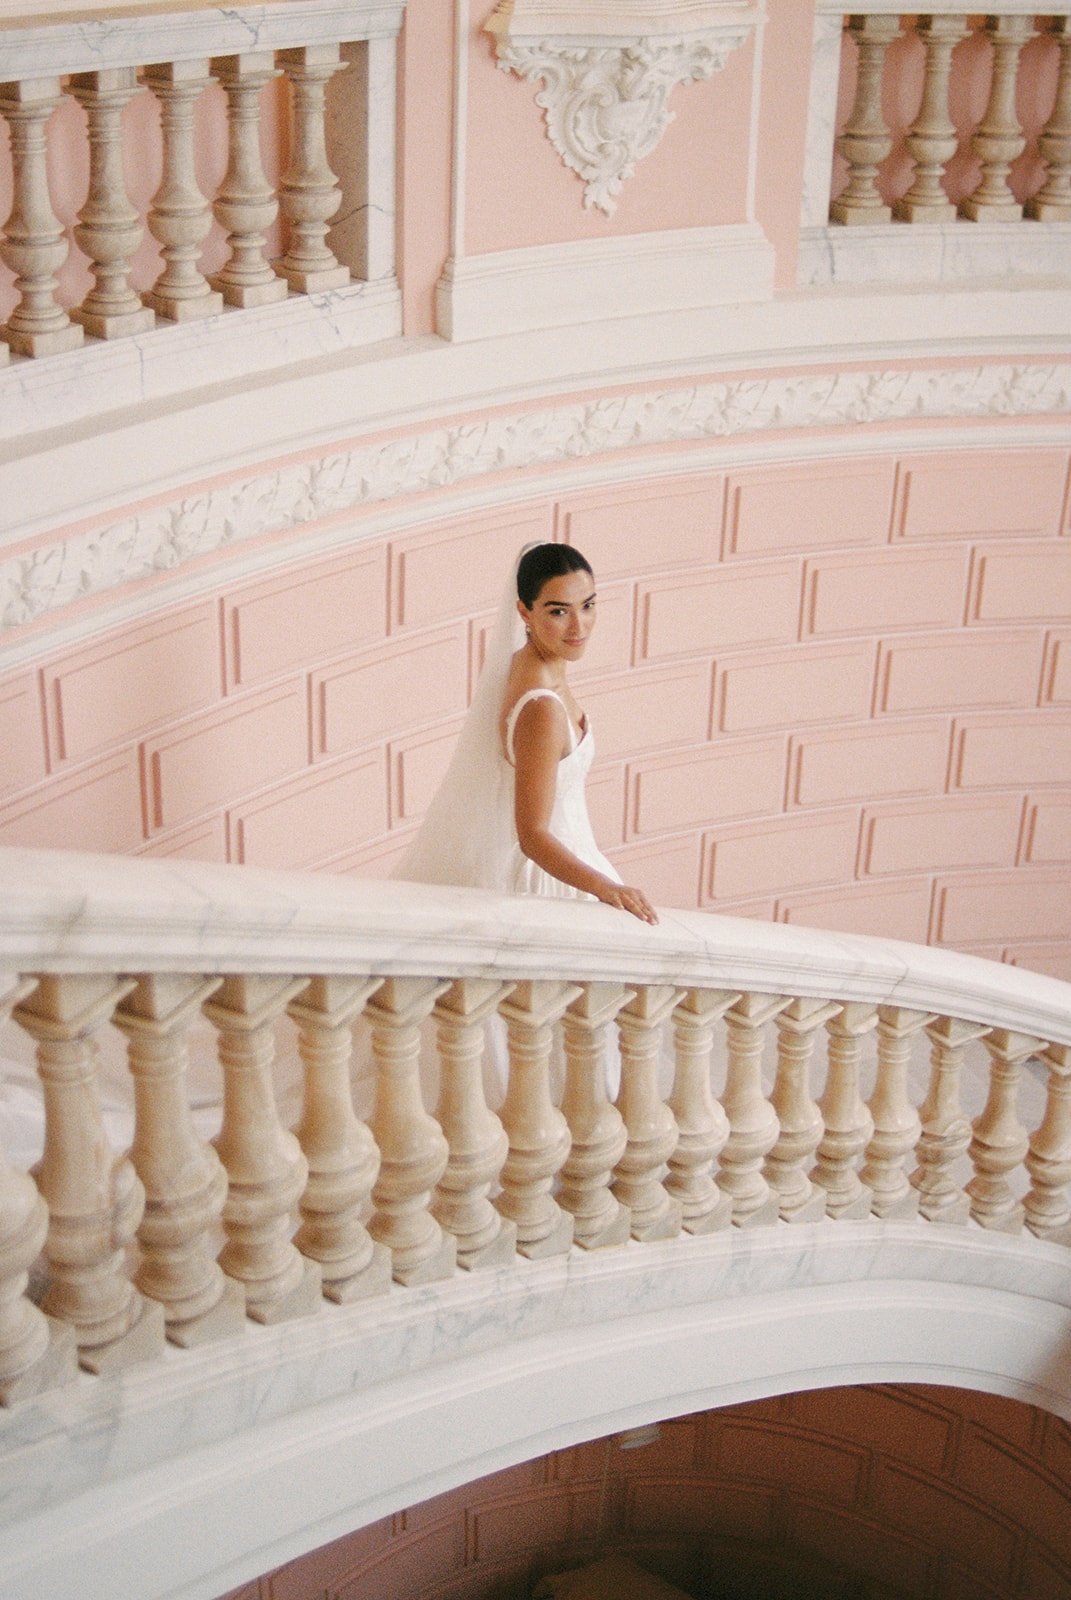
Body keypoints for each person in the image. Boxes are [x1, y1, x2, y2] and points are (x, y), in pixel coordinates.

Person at [395, 541, 657, 925]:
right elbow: (532, 835)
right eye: (558, 611)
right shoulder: (542, 710)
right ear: (524, 612)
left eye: (588, 605)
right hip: (551, 885)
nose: (578, 626)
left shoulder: (526, 664)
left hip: (575, 861)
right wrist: (605, 888)